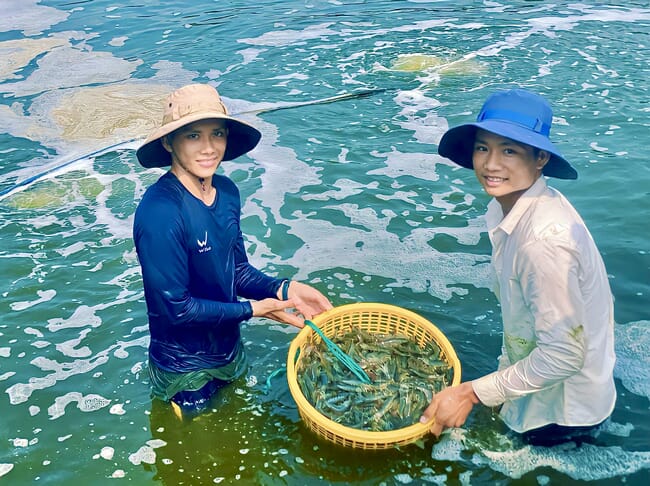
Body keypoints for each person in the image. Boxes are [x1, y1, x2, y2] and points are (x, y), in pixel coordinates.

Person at [420, 88, 616, 446]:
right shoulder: (510, 208)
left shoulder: (543, 241)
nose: (491, 164)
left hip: (562, 415)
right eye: (483, 147)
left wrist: (471, 394)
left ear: (540, 158)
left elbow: (564, 355)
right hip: (535, 384)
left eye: (509, 150)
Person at [133, 83, 332, 418]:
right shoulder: (159, 212)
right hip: (184, 369)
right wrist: (253, 310)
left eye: (218, 133)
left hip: (229, 349)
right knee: (192, 454)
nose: (209, 148)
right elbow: (176, 309)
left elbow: (236, 269)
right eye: (193, 136)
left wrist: (285, 288)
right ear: (169, 142)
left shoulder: (226, 192)